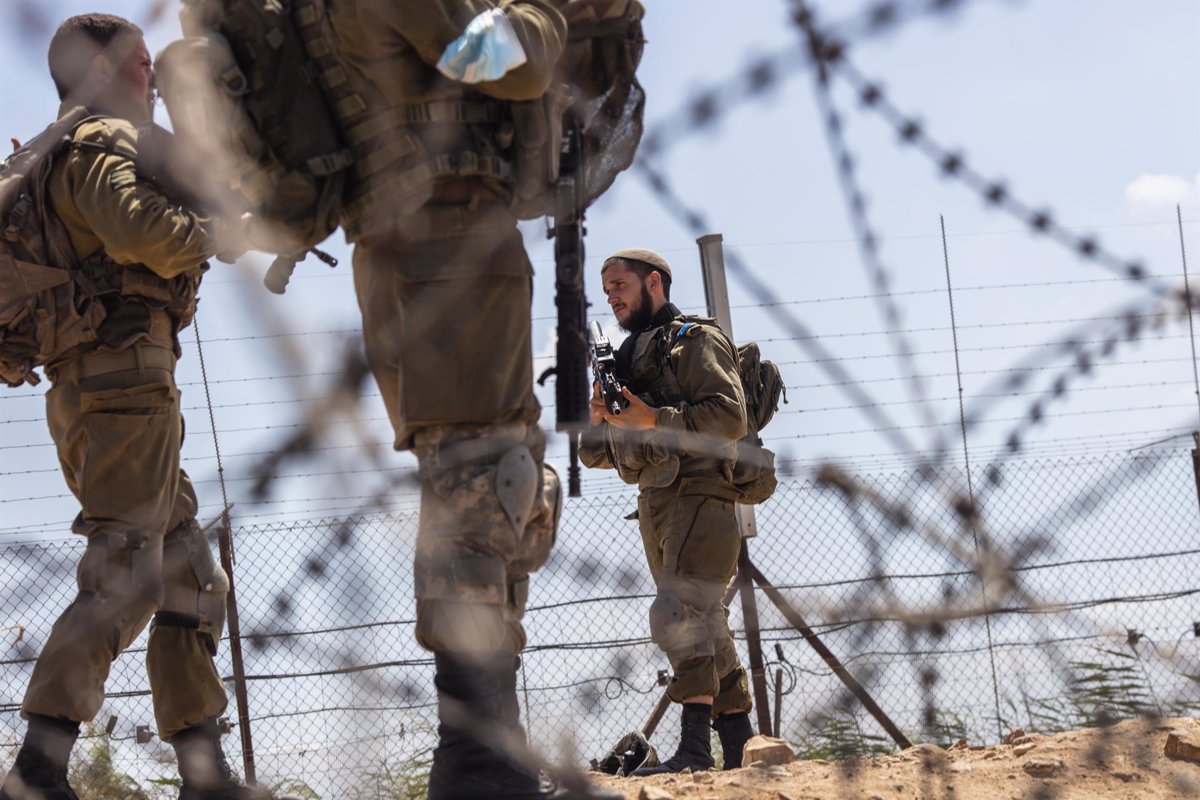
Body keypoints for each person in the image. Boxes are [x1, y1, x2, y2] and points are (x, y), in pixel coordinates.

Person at [319, 4, 620, 799]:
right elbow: (508, 59)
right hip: (438, 241)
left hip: (449, 236)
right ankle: (478, 762)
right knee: (478, 487)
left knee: (500, 484)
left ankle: (489, 752)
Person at [0, 14, 265, 800]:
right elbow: (142, 231)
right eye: (144, 66)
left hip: (115, 388)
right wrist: (223, 231)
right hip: (120, 386)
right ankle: (40, 768)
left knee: (191, 577)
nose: (155, 80)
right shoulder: (97, 138)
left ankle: (204, 774)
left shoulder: (64, 146)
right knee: (128, 576)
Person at [580, 248, 757, 773]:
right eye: (606, 288)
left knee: (677, 614)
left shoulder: (695, 340)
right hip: (656, 501)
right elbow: (595, 455)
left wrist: (652, 419)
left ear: (653, 283)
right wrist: (599, 415)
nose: (611, 295)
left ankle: (695, 751)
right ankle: (743, 751)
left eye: (620, 285)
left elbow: (729, 418)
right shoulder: (630, 357)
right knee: (707, 624)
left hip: (701, 495)